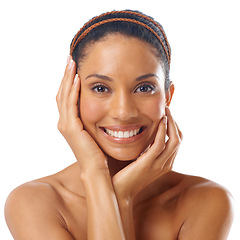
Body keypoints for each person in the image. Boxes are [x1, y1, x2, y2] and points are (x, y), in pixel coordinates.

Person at [5, 10, 233, 240]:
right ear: (71, 95)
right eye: (101, 88)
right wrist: (96, 174)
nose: (123, 113)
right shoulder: (33, 203)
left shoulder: (206, 201)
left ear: (167, 96)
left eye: (144, 88)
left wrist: (122, 197)